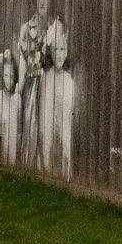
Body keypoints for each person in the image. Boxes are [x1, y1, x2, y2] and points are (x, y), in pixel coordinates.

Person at [18, 0, 53, 169]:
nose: (42, 0)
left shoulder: (55, 28)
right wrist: (21, 93)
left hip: (49, 88)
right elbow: (24, 66)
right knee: (30, 129)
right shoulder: (26, 29)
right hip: (31, 88)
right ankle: (28, 169)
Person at [41, 19, 74, 180]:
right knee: (48, 151)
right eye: (56, 49)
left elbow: (71, 111)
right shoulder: (46, 78)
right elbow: (44, 113)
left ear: (66, 51)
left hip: (65, 129)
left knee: (66, 152)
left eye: (62, 49)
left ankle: (66, 180)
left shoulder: (69, 81)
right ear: (51, 52)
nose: (59, 54)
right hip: (49, 128)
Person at [0, 49, 23, 166]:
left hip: (13, 140)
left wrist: (18, 142)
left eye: (11, 76)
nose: (8, 80)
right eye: (5, 75)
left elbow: (20, 125)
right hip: (2, 138)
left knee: (11, 164)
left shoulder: (17, 98)